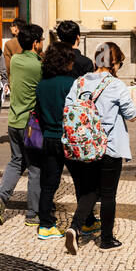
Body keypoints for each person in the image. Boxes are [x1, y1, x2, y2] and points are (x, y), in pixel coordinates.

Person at [64, 41, 136, 255]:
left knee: (89, 190)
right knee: (108, 194)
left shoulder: (79, 82)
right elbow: (132, 116)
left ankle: (74, 227)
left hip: (83, 145)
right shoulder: (116, 85)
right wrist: (135, 98)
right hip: (108, 146)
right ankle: (106, 239)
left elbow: (68, 107)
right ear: (114, 62)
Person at [0, 23, 43, 227]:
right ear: (36, 43)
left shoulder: (17, 60)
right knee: (35, 168)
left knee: (16, 161)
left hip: (13, 121)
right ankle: (32, 214)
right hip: (30, 124)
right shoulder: (37, 65)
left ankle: (1, 198)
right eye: (41, 41)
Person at [35, 42, 77, 239]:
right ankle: (85, 221)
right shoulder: (71, 84)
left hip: (49, 137)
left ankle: (45, 224)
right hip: (69, 139)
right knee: (82, 182)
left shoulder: (42, 84)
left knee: (49, 184)